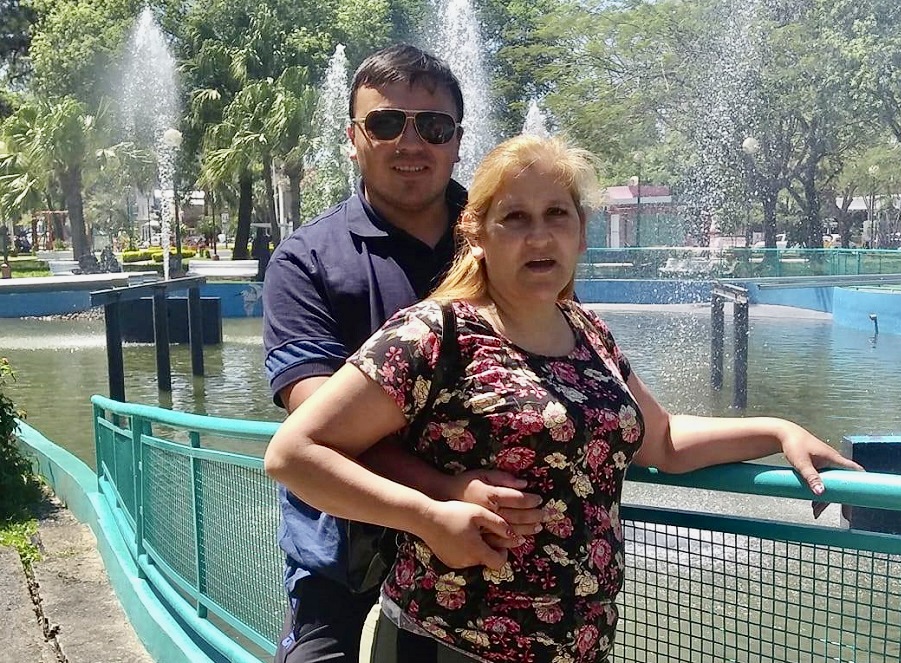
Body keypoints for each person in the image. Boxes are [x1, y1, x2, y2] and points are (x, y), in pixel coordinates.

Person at [264, 134, 863, 663]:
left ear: (580, 231)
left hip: (580, 646)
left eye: (557, 214)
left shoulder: (588, 333)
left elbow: (662, 441)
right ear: (477, 235)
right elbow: (293, 454)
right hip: (453, 643)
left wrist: (777, 430)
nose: (539, 236)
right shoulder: (434, 333)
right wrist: (428, 516)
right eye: (515, 218)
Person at [262, 45, 543, 662]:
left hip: (487, 554)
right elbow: (319, 424)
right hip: (350, 556)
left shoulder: (507, 239)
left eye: (433, 126)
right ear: (353, 138)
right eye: (386, 123)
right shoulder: (307, 261)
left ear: (458, 140)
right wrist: (442, 492)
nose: (410, 143)